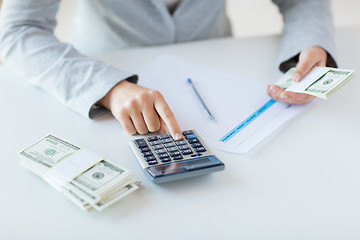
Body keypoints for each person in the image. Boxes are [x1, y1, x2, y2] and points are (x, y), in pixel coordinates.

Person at [0, 0, 337, 140]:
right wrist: (109, 88)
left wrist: (309, 44)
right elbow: (17, 31)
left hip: (219, 70)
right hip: (100, 93)